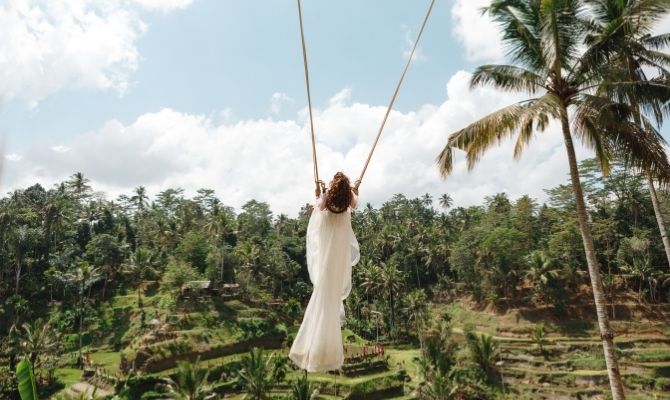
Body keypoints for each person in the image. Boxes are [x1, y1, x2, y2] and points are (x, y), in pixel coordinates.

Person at [289, 172, 360, 372]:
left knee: (324, 289)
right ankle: (326, 351)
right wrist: (355, 190)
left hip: (327, 245)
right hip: (338, 249)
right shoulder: (348, 198)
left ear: (333, 184)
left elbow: (318, 208)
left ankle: (316, 348)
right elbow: (355, 204)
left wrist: (318, 193)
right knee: (332, 290)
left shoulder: (328, 196)